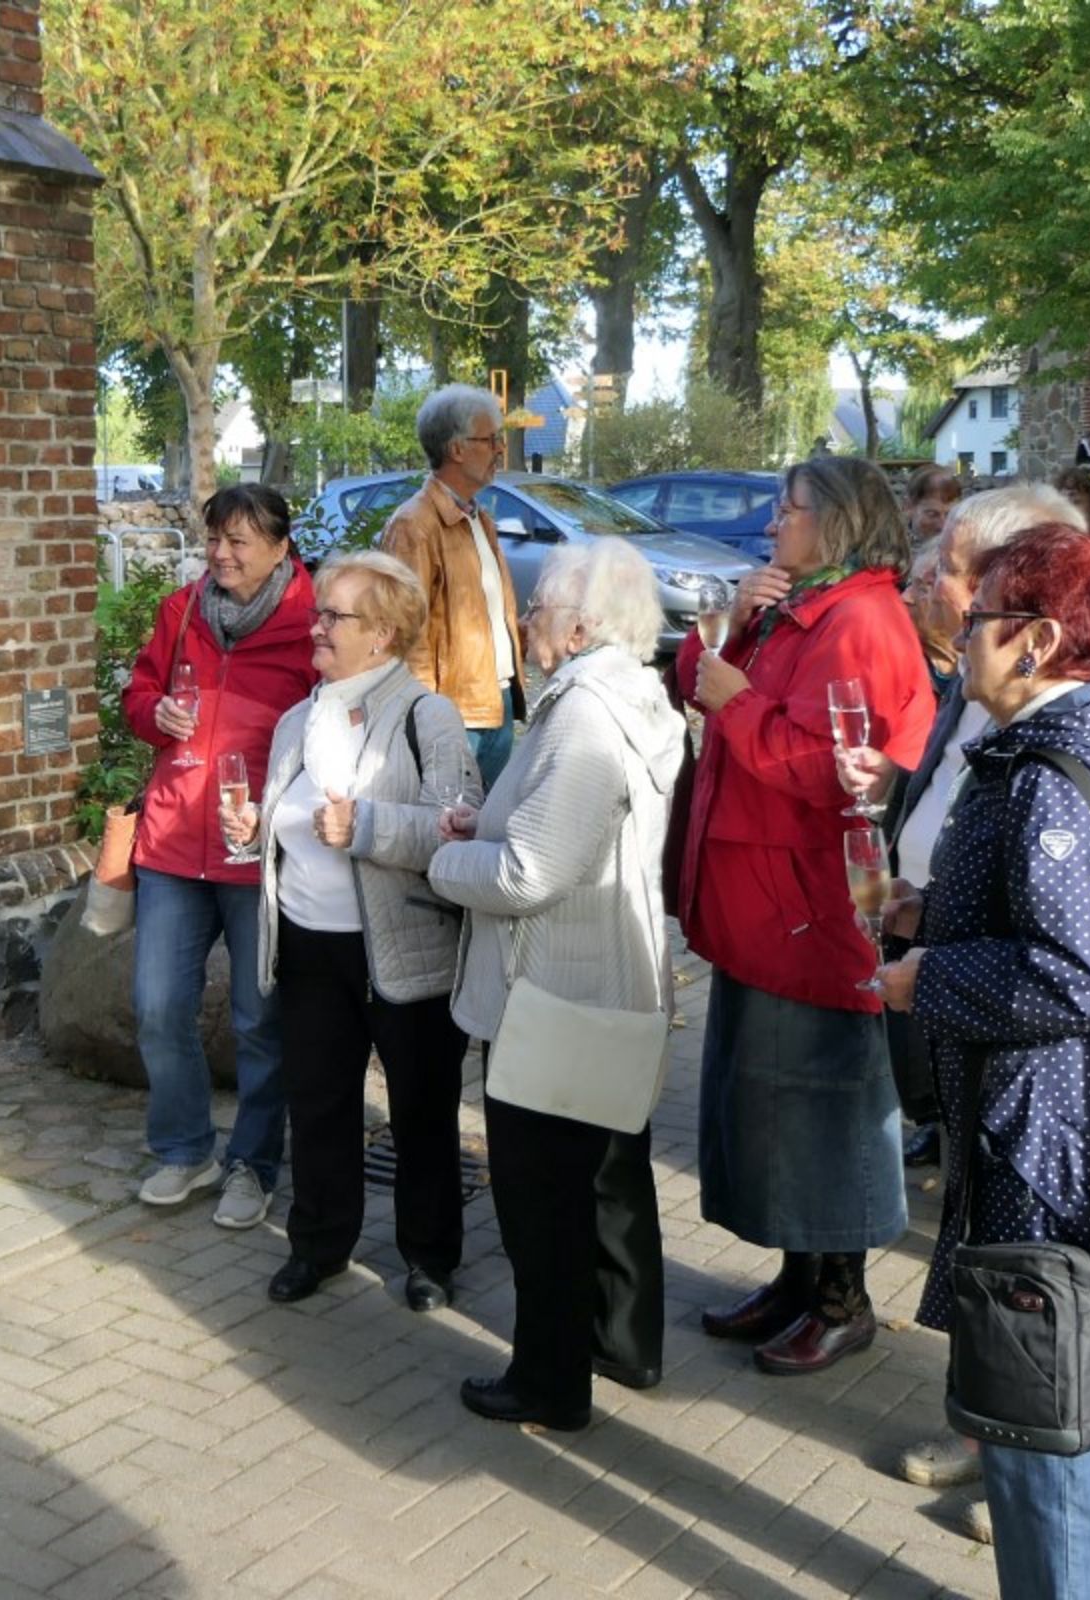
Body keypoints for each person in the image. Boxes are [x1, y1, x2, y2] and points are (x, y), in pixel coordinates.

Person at [878, 524, 1090, 1596]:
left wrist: (928, 976)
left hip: (1053, 1143)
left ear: (1033, 641)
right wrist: (939, 910)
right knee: (1088, 1410)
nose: (958, 638)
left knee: (1042, 1433)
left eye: (977, 618)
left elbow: (1078, 969)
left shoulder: (1049, 776)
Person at [849, 483, 1090, 1507]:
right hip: (948, 966)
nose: (933, 588)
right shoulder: (975, 686)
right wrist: (919, 905)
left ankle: (1024, 1461)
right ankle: (990, 1423)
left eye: (955, 574)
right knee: (973, 1222)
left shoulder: (1062, 743)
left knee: (1023, 1253)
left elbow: (1074, 961)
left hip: (1025, 1053)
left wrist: (939, 964)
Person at [674, 454, 935, 1376]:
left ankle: (841, 1300)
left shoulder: (859, 621)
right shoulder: (801, 606)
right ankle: (797, 1280)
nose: (771, 524)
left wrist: (738, 702)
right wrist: (733, 627)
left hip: (810, 909)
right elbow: (699, 685)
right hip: (762, 906)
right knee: (772, 1107)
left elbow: (834, 773)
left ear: (835, 522)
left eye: (786, 511)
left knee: (822, 1109)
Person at [429, 539, 686, 1432]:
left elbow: (528, 874)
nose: (524, 619)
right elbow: (563, 831)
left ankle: (548, 1381)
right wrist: (490, 822)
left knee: (541, 1201)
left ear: (580, 628)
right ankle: (622, 1341)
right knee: (605, 1178)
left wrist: (444, 861)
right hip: (602, 978)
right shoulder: (635, 695)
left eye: (535, 607)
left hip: (550, 992)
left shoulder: (582, 715)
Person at [222, 550, 481, 1311]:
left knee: (421, 1110)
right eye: (320, 612)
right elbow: (290, 824)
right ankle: (318, 1245)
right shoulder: (299, 719)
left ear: (383, 633)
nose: (317, 626)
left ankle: (430, 1257)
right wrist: (255, 829)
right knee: (319, 1103)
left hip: (401, 946)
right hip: (308, 944)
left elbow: (460, 829)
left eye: (335, 616)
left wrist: (364, 826)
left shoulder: (427, 717)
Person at [121, 485, 318, 1229]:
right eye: (214, 539)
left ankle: (253, 1165)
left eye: (238, 541)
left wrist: (282, 814)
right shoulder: (181, 612)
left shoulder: (311, 625)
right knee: (157, 1007)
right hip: (173, 843)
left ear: (279, 547)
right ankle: (185, 1150)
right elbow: (139, 694)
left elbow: (331, 736)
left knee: (258, 1020)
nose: (220, 555)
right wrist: (154, 711)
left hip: (257, 852)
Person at [380, 385, 524, 789]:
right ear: (457, 449)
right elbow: (406, 635)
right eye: (490, 439)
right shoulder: (414, 525)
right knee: (444, 822)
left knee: (482, 822)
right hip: (452, 714)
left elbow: (479, 619)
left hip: (494, 702)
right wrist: (424, 717)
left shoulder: (479, 519)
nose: (500, 449)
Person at [902, 464, 966, 544]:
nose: (942, 526)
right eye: (932, 515)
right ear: (908, 507)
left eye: (950, 515)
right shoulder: (893, 547)